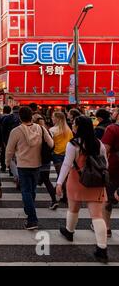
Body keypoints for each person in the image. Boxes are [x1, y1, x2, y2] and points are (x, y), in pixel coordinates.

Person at [57, 116, 109, 263]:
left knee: (73, 209)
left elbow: (67, 165)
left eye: (74, 124)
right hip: (96, 182)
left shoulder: (73, 144)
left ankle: (69, 231)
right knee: (97, 216)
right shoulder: (99, 143)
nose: (72, 126)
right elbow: (105, 163)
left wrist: (59, 182)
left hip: (77, 180)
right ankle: (102, 249)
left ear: (79, 127)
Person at [5, 106, 54, 230]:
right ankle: (29, 210)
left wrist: (7, 163)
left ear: (20, 117)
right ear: (31, 116)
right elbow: (51, 144)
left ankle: (32, 219)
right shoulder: (41, 129)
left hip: (23, 164)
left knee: (26, 191)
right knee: (32, 190)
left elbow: (9, 150)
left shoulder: (16, 131)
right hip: (37, 163)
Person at [100, 107, 119, 240]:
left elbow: (104, 150)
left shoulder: (112, 129)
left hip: (114, 168)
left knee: (107, 199)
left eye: (114, 111)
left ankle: (106, 228)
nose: (112, 113)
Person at [33, 114, 59, 210]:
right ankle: (54, 200)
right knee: (46, 179)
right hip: (46, 158)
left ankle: (32, 201)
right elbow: (52, 145)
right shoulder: (47, 131)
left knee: (33, 180)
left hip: (36, 158)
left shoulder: (35, 131)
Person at [50, 111, 73, 204]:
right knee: (66, 176)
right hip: (67, 154)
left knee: (61, 176)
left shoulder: (52, 130)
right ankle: (67, 194)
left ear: (57, 119)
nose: (52, 118)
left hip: (57, 154)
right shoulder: (69, 130)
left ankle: (66, 196)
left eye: (53, 117)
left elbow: (50, 143)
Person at [0, 105, 12, 172]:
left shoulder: (0, 118)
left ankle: (3, 167)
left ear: (3, 110)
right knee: (11, 153)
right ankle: (10, 168)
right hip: (11, 137)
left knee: (3, 153)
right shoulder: (12, 118)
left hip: (3, 138)